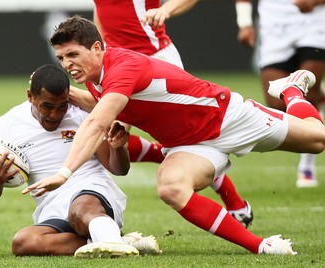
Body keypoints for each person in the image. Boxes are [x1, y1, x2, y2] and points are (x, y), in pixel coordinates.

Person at [24, 16, 325, 255]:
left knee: (319, 140)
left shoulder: (123, 68)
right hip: (187, 144)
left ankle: (291, 91)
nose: (67, 64)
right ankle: (261, 245)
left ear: (96, 48)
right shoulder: (94, 77)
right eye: (62, 58)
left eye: (72, 55)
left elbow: (96, 123)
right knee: (171, 187)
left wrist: (64, 173)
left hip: (226, 118)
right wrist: (60, 94)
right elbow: (101, 104)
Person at [89, 0, 254, 228]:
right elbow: (102, 9)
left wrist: (165, 10)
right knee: (113, 135)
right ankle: (235, 204)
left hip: (156, 62)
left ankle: (234, 202)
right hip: (117, 64)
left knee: (188, 143)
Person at [0, 64, 161, 258]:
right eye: (47, 106)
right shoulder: (7, 125)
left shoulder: (83, 116)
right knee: (24, 242)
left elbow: (118, 169)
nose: (55, 114)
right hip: (51, 208)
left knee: (79, 212)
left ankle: (110, 239)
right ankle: (115, 239)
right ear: (30, 96)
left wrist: (119, 147)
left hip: (92, 193)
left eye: (62, 106)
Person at [235, 0, 325, 187]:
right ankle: (317, 88)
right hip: (274, 23)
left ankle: (306, 167)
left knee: (308, 98)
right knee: (278, 103)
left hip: (313, 21)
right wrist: (245, 22)